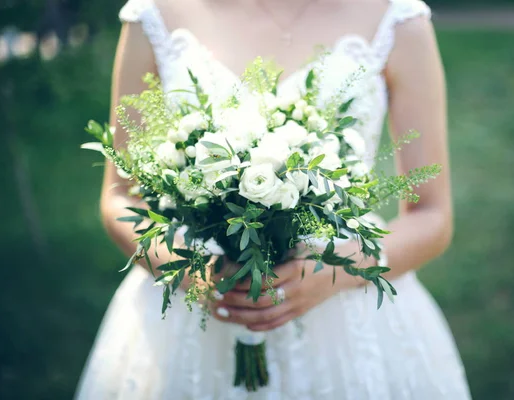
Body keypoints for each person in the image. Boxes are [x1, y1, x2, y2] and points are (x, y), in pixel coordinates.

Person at [75, 0, 472, 398]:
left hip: (343, 313)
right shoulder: (155, 14)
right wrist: (194, 276)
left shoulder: (398, 20)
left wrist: (338, 272)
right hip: (193, 307)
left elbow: (432, 217)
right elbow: (120, 196)